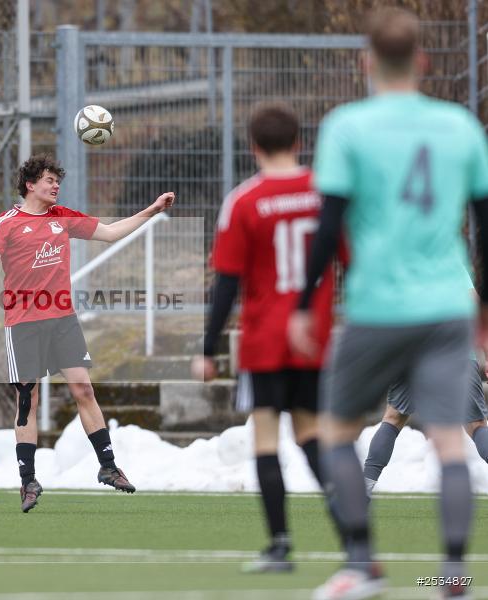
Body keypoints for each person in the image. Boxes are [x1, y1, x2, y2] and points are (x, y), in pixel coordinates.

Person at [288, 8, 488, 599]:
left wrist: (304, 302)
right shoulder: (461, 127)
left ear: (366, 63)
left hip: (378, 305)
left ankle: (362, 564)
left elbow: (328, 227)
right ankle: (452, 574)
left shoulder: (346, 126)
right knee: (451, 438)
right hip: (449, 305)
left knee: (337, 430)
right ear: (423, 63)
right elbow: (485, 223)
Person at [0, 154, 174, 512]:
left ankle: (109, 467)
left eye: (57, 181)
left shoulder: (62, 217)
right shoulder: (5, 223)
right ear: (30, 184)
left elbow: (111, 233)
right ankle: (28, 481)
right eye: (50, 180)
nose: (55, 186)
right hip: (23, 323)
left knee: (83, 388)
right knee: (29, 399)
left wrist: (153, 210)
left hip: (62, 320)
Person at [192, 103, 340, 573]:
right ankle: (353, 530)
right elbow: (352, 259)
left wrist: (208, 347)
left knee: (266, 436)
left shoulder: (244, 201)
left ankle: (279, 544)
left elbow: (227, 283)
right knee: (312, 433)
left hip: (264, 341)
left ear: (253, 147)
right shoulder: (327, 194)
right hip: (313, 338)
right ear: (299, 142)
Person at [363, 277, 488, 497]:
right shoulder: (446, 260)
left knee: (392, 418)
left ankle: (364, 489)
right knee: (477, 425)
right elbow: (474, 305)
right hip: (455, 353)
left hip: (412, 354)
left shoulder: (400, 263)